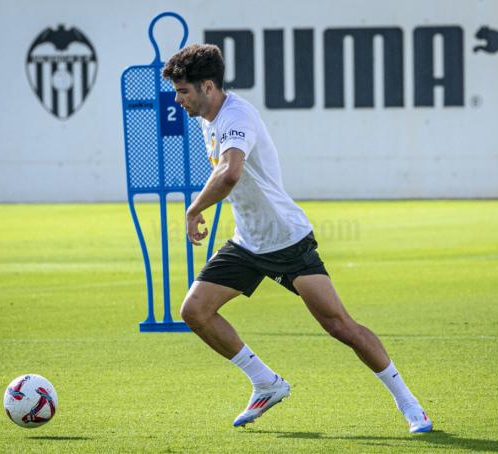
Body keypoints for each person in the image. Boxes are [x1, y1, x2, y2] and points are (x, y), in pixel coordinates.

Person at [162, 44, 433, 433]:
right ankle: (266, 383)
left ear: (207, 86)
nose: (178, 99)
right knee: (194, 311)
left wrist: (193, 209)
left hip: (287, 240)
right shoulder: (208, 118)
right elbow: (223, 169)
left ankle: (410, 404)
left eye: (182, 91)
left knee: (340, 326)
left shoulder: (236, 115)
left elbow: (231, 172)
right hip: (248, 243)